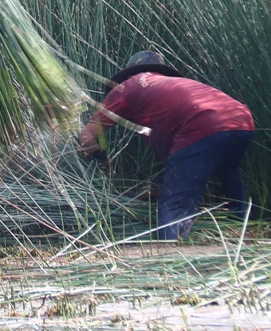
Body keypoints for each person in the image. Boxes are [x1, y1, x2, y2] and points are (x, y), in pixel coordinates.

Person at [79, 51, 255, 240]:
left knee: (174, 208)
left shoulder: (125, 87)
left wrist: (102, 159)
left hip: (203, 123)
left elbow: (87, 137)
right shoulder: (170, 86)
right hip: (241, 119)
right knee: (228, 169)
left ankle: (171, 255)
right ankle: (243, 233)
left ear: (129, 73)